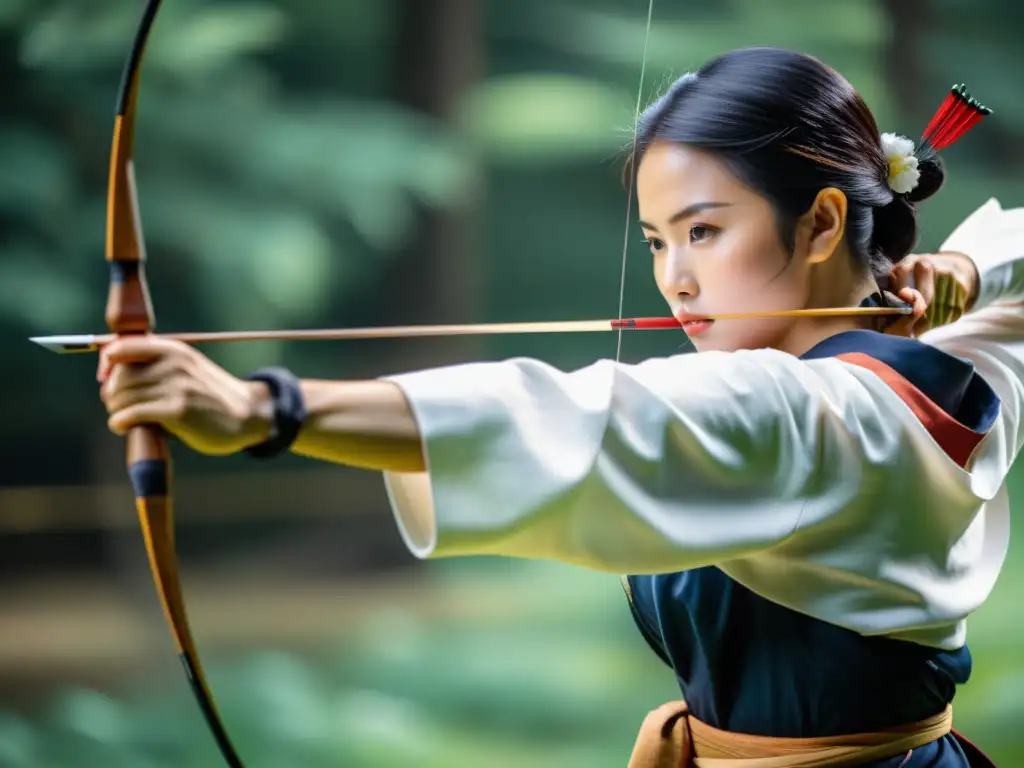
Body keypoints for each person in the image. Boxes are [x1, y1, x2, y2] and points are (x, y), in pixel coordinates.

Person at [97, 48, 1021, 766]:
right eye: (660, 241)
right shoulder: (957, 364)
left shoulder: (805, 413)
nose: (677, 279)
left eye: (705, 230)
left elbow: (577, 418)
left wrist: (267, 409)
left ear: (821, 221)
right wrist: (973, 270)